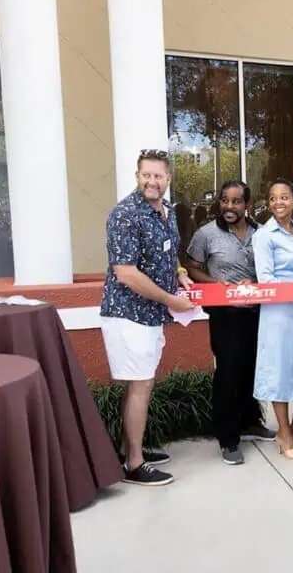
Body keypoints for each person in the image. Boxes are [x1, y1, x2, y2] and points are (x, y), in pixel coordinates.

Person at [99, 149, 196, 486]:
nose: (152, 181)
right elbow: (125, 272)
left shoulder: (164, 213)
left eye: (158, 176)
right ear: (137, 176)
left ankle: (132, 447)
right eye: (146, 175)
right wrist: (171, 299)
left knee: (141, 384)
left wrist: (180, 273)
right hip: (128, 314)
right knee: (139, 386)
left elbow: (167, 255)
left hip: (150, 316)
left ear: (168, 180)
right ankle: (134, 465)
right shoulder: (125, 214)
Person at [186, 180, 277, 466]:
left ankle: (250, 422)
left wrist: (258, 282)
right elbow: (191, 266)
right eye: (225, 201)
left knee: (252, 369)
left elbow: (269, 269)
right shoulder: (206, 234)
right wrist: (216, 284)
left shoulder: (261, 234)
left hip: (256, 312)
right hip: (225, 316)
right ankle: (228, 439)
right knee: (228, 373)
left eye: (236, 201)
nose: (229, 206)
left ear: (246, 206)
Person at [251, 179, 293, 462]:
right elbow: (266, 280)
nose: (278, 202)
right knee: (281, 372)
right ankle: (283, 432)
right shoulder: (265, 235)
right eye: (273, 198)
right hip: (279, 312)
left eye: (284, 197)